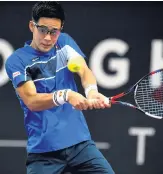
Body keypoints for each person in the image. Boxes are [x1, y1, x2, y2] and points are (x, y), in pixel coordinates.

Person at [5, 2, 114, 174]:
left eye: (54, 31)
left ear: (61, 29)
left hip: (80, 146)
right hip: (44, 153)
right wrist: (66, 95)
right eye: (42, 30)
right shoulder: (17, 61)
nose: (48, 37)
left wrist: (92, 91)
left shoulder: (64, 42)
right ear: (32, 26)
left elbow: (84, 70)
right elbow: (31, 101)